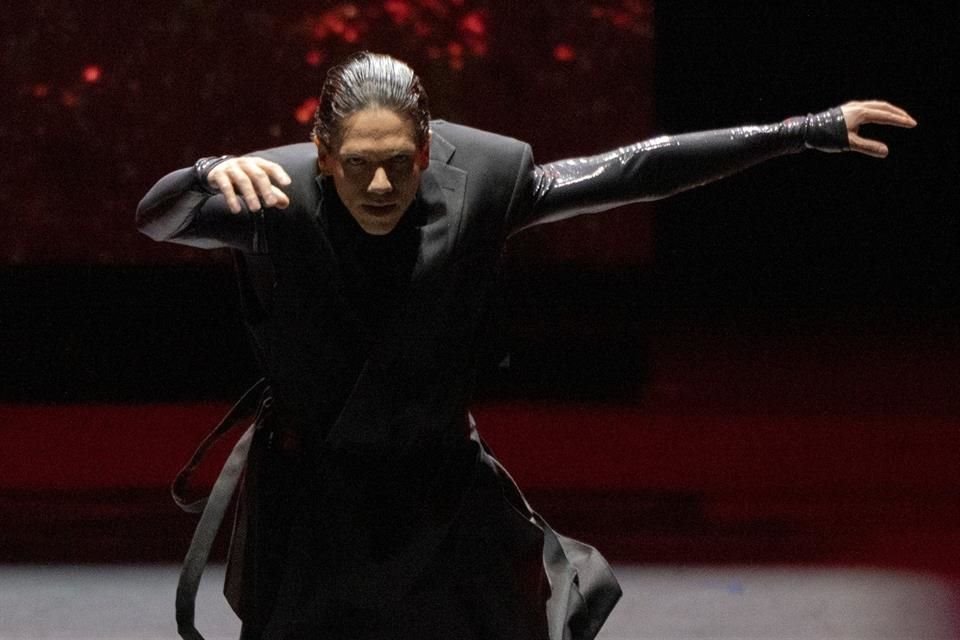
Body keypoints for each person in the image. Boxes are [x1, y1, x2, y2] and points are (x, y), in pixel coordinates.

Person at [137, 51, 916, 640]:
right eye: (358, 167)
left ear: (427, 145)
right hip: (314, 497)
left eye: (398, 165)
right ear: (323, 150)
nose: (380, 188)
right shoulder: (270, 193)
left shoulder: (482, 183)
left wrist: (801, 132)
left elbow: (632, 170)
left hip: (439, 485)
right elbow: (159, 217)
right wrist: (205, 170)